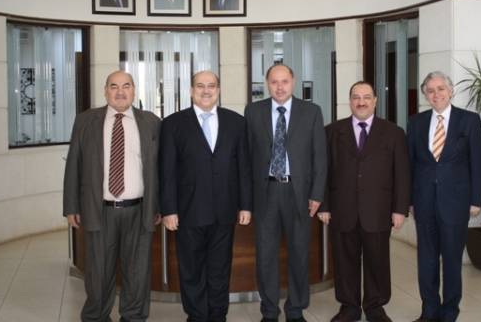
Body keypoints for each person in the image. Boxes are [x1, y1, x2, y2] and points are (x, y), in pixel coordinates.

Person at [63, 70, 161, 322]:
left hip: (139, 210)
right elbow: (74, 164)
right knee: (98, 272)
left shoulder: (151, 122)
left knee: (137, 272)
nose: (120, 92)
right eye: (114, 86)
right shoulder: (86, 121)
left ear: (134, 90)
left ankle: (134, 316)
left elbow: (160, 168)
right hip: (99, 210)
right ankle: (96, 316)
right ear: (105, 91)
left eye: (126, 86)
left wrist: (159, 206)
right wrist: (71, 206)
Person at [159, 71, 252, 322]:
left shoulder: (236, 122)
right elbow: (167, 171)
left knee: (220, 269)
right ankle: (197, 316)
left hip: (225, 211)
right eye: (200, 86)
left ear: (218, 90)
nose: (206, 90)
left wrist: (245, 205)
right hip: (188, 212)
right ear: (191, 91)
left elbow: (244, 167)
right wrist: (168, 209)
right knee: (192, 270)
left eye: (211, 86)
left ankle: (218, 315)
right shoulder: (173, 124)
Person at [318, 81, 410, 322]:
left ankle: (375, 307)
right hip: (342, 208)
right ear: (350, 101)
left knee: (377, 261)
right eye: (356, 97)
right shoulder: (332, 132)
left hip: (378, 209)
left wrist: (400, 209)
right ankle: (349, 307)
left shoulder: (393, 132)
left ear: (375, 101)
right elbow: (323, 171)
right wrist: (324, 205)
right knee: (344, 261)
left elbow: (402, 174)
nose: (361, 102)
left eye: (366, 97)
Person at [244, 64, 327, 322]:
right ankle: (269, 311)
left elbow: (320, 157)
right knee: (265, 256)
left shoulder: (311, 112)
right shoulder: (253, 111)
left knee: (299, 254)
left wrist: (317, 194)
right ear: (267, 84)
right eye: (274, 82)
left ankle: (295, 310)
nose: (279, 87)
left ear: (293, 82)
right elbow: (247, 157)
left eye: (284, 81)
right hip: (265, 192)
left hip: (298, 193)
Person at [407, 71, 481, 322]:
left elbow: (477, 162)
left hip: (456, 203)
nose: (436, 94)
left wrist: (476, 200)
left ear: (450, 91)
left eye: (441, 89)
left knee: (452, 261)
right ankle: (429, 310)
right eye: (430, 90)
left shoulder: (469, 120)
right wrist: (409, 200)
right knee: (426, 261)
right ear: (425, 95)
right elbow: (411, 164)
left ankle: (450, 311)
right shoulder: (416, 122)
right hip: (424, 202)